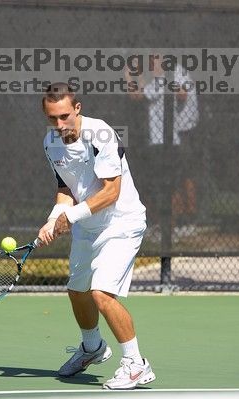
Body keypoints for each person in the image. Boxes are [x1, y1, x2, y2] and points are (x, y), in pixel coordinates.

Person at [37, 82, 155, 390]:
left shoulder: (100, 133)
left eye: (64, 116)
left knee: (101, 293)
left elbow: (111, 192)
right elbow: (65, 189)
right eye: (52, 118)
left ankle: (135, 364)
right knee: (78, 291)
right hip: (88, 228)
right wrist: (53, 220)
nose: (59, 125)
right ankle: (92, 348)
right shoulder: (51, 142)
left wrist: (70, 217)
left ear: (77, 109)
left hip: (121, 223)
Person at [125, 55, 199, 238]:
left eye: (155, 60)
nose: (152, 64)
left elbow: (137, 95)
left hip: (166, 142)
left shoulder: (166, 79)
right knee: (161, 185)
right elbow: (139, 94)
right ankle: (166, 226)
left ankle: (174, 226)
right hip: (160, 142)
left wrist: (129, 75)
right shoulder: (161, 81)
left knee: (170, 185)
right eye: (151, 60)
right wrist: (134, 75)